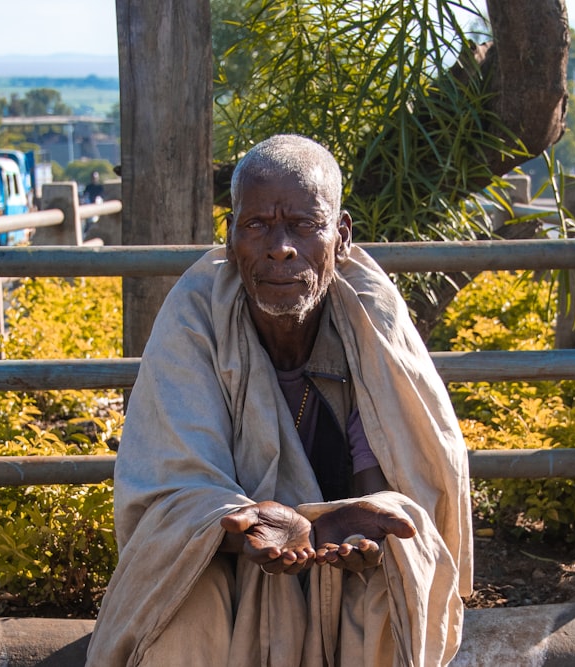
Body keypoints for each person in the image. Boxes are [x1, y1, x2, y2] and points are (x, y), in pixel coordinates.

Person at [86, 134, 473, 666]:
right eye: (257, 226)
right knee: (188, 611)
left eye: (303, 225)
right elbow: (173, 493)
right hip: (229, 557)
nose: (280, 247)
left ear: (340, 235)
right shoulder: (195, 316)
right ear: (230, 238)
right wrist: (254, 527)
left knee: (390, 585)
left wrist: (356, 521)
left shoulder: (368, 323)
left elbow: (393, 484)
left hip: (336, 557)